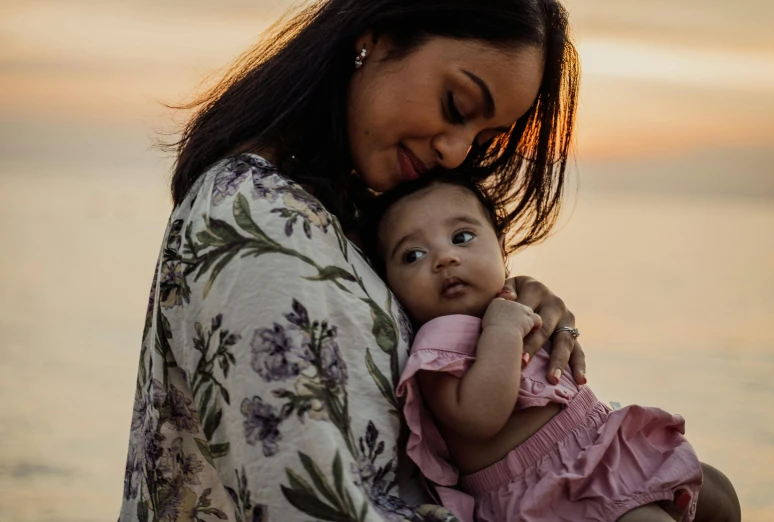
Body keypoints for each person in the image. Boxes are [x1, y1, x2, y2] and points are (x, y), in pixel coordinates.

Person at [117, 1, 715, 520]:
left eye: (483, 138)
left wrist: (506, 311)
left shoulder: (339, 215)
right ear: (375, 37)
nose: (456, 152)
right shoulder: (253, 218)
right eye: (457, 104)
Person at [360, 171, 741, 522]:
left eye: (461, 237)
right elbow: (478, 418)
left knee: (719, 492)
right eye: (413, 255)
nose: (445, 258)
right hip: (547, 488)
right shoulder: (437, 341)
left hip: (602, 445)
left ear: (501, 247)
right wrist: (502, 331)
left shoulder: (518, 302)